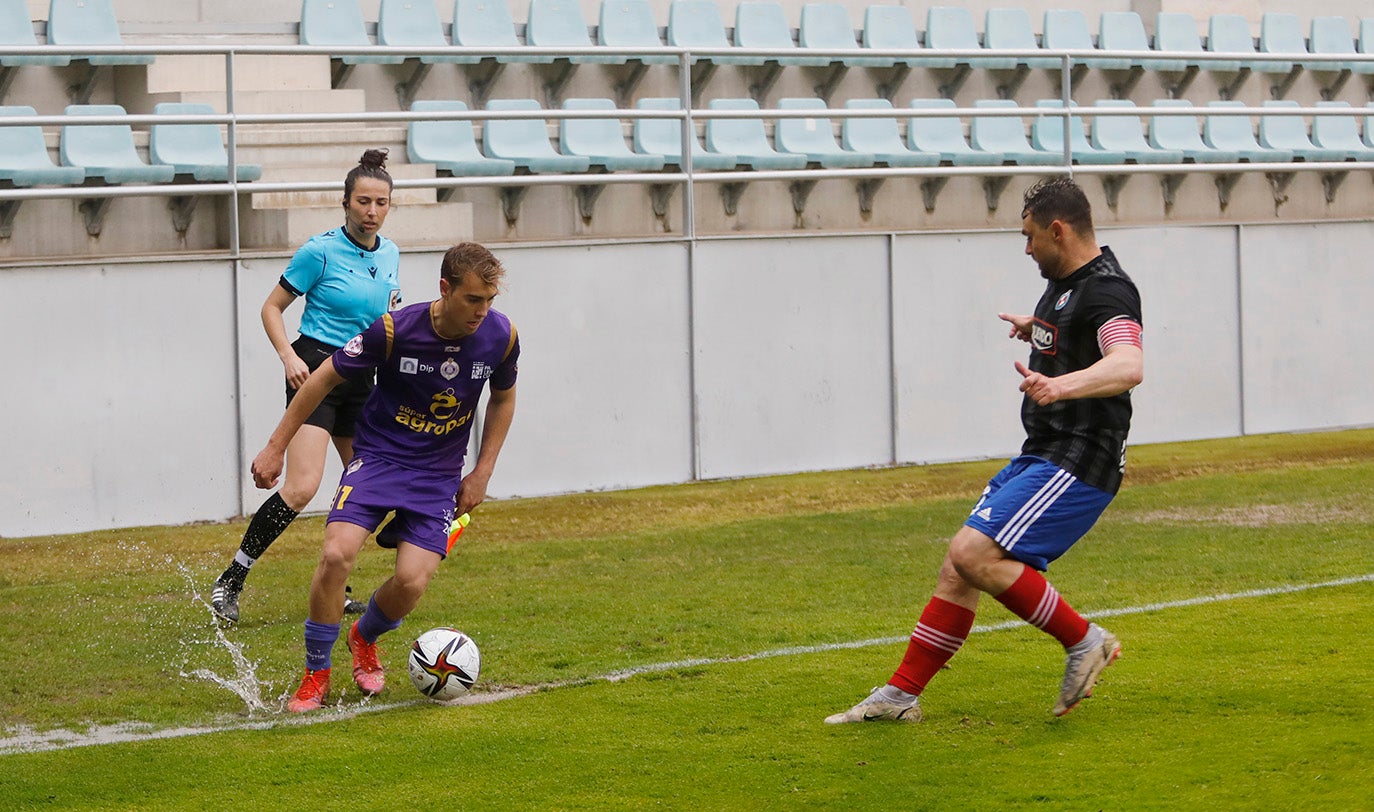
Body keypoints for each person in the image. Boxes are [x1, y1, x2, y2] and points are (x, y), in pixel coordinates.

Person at [826, 177, 1144, 724]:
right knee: (959, 566)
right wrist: (1041, 331)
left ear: (1058, 230)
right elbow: (1081, 338)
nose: (1026, 249)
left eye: (1029, 237)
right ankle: (901, 699)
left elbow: (1128, 364)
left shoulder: (1108, 290)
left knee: (974, 552)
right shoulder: (1069, 285)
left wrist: (1061, 385)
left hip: (1080, 456)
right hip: (1044, 450)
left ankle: (1083, 640)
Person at [247, 242, 520, 713]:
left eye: (490, 300)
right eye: (473, 299)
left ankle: (364, 636)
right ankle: (316, 673)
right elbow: (321, 378)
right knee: (336, 555)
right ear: (444, 289)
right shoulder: (395, 330)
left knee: (411, 583)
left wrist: (483, 470)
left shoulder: (502, 335)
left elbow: (503, 397)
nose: (483, 311)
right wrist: (275, 447)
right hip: (377, 460)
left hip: (437, 475)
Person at [211, 149, 402, 623]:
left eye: (380, 202)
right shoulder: (319, 250)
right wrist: (288, 356)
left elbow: (388, 320)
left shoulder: (393, 252)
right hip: (316, 370)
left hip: (364, 377)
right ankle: (230, 580)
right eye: (363, 201)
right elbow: (270, 308)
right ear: (345, 202)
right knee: (301, 488)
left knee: (365, 489)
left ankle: (335, 585)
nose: (371, 211)